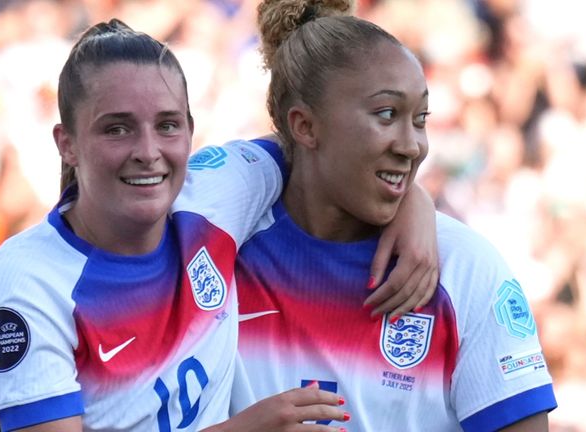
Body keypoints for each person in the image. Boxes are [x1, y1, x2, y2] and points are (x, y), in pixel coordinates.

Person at [0, 18, 439, 432]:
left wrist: (413, 203)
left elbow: (326, 149)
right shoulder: (27, 282)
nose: (148, 151)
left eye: (167, 125)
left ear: (190, 130)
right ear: (66, 143)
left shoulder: (220, 190)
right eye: (117, 128)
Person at [230, 1, 558, 431]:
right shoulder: (220, 248)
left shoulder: (463, 266)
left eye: (420, 119)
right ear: (305, 126)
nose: (413, 146)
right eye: (387, 114)